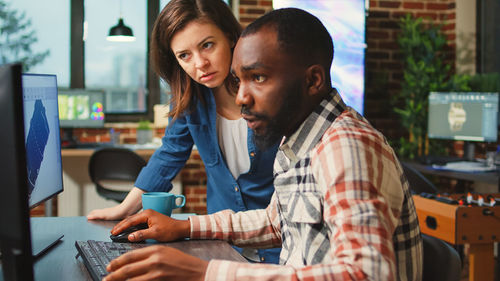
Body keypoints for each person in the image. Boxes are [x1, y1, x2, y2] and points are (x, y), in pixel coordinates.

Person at [103, 8, 423, 281]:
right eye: (239, 80)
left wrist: (205, 272)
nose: (241, 97)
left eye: (258, 78)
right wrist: (183, 226)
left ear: (313, 80)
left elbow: (365, 273)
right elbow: (274, 221)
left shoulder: (344, 146)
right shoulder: (295, 139)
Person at [87, 0, 281, 264]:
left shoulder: (272, 94)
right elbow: (169, 155)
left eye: (207, 45)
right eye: (184, 55)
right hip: (224, 248)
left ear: (231, 37)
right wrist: (123, 209)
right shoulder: (191, 100)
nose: (200, 64)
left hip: (280, 247)